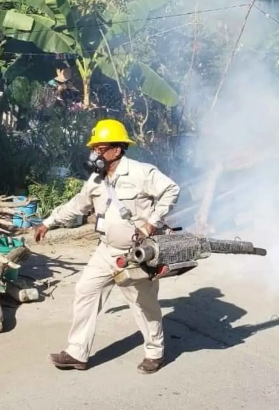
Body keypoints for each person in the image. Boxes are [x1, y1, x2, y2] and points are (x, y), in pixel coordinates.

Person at [34, 118, 180, 374]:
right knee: (85, 291)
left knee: (143, 305)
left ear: (117, 149)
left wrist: (151, 224)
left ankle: (155, 353)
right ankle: (77, 352)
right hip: (106, 251)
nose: (95, 154)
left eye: (100, 149)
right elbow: (76, 206)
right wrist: (48, 222)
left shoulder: (140, 172)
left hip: (135, 254)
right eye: (94, 149)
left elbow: (171, 189)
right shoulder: (96, 180)